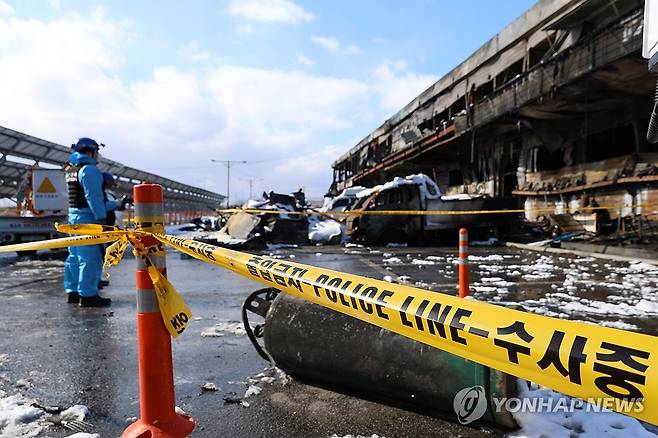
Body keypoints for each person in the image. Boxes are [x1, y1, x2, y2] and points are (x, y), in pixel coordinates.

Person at [63, 137, 112, 307]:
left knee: (74, 257)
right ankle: (88, 295)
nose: (98, 156)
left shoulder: (71, 170)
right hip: (87, 219)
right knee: (90, 258)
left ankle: (73, 292)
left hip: (73, 218)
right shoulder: (89, 170)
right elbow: (94, 197)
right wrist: (101, 218)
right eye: (97, 152)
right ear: (90, 151)